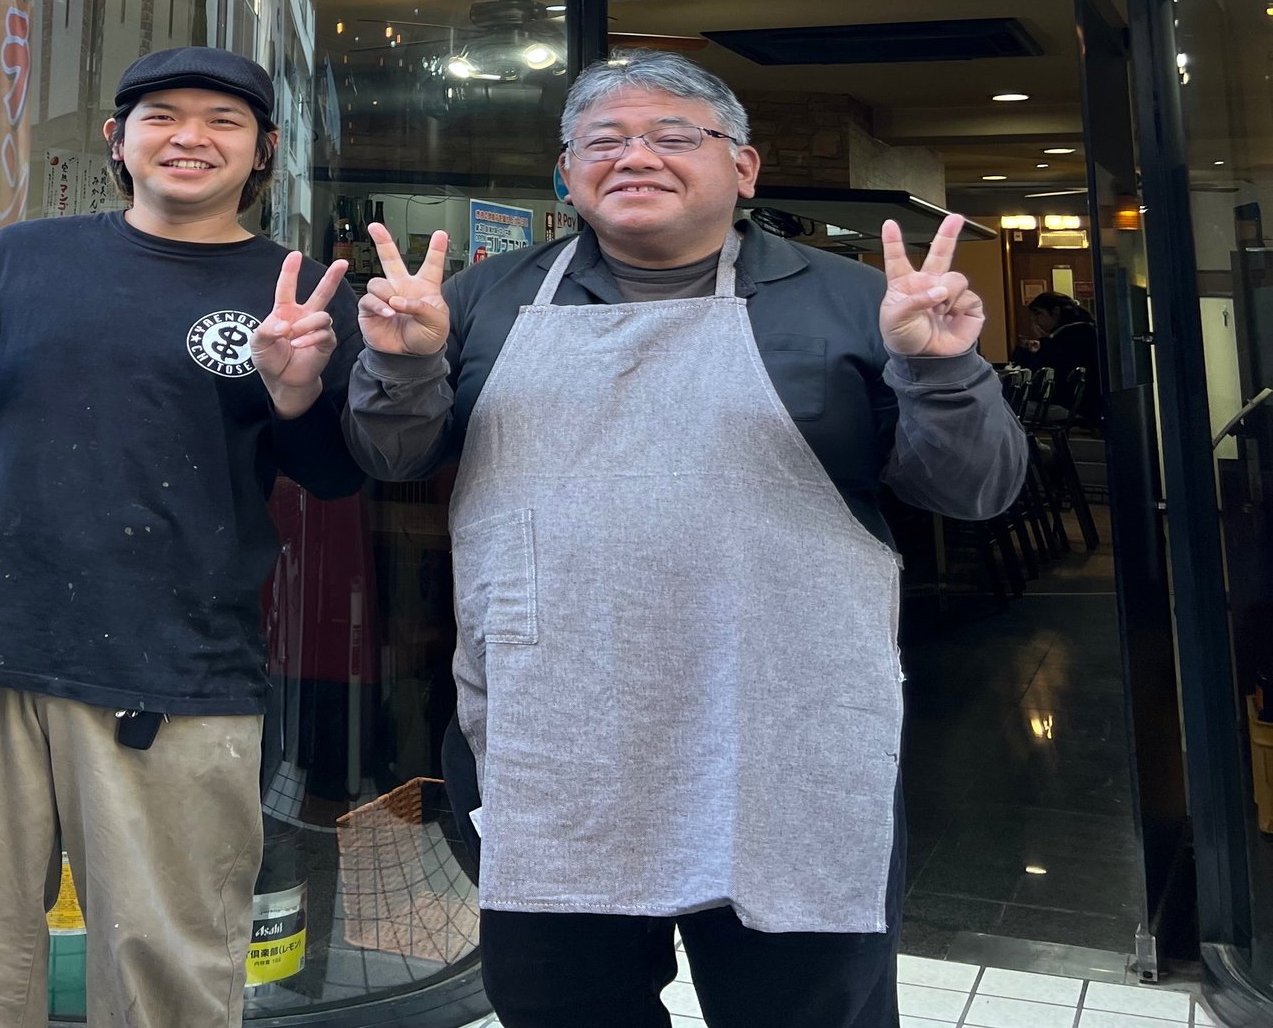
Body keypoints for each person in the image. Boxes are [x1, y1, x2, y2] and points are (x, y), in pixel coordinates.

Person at [344, 51, 1027, 1028]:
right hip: (553, 734)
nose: (635, 156)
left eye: (673, 135)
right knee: (564, 1008)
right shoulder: (481, 298)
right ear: (566, 172)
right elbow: (391, 456)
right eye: (602, 140)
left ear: (742, 167)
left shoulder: (852, 300)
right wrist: (401, 367)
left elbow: (975, 490)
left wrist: (942, 372)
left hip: (783, 734)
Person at [0, 47, 365, 1028]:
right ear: (117, 138)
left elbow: (333, 471)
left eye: (223, 120)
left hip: (175, 667)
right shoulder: (19, 258)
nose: (190, 137)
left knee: (166, 979)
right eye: (162, 115)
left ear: (263, 148)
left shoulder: (296, 289)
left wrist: (296, 390)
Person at [1020, 291, 1100, 423]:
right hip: (1085, 406)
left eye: (1039, 314)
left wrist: (1043, 342)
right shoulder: (1087, 331)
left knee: (1011, 407)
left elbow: (1041, 373)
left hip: (1069, 405)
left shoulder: (1067, 337)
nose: (1035, 321)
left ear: (1056, 311)